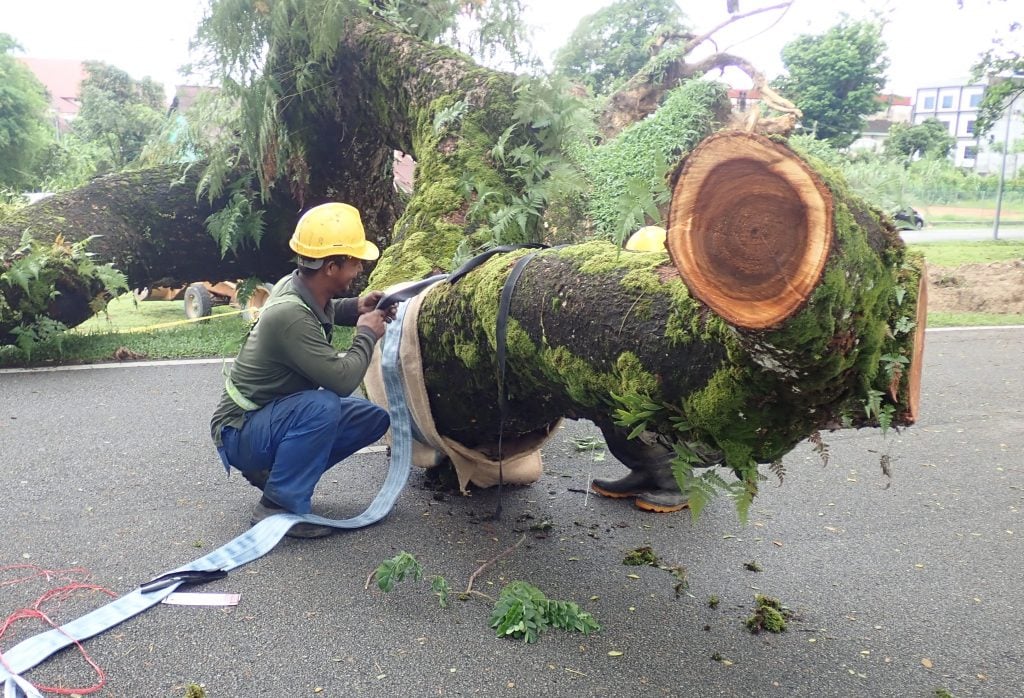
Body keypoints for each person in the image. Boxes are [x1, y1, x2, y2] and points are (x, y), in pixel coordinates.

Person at [210, 202, 395, 538]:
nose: (358, 269)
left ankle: (277, 476)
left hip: (267, 417)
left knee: (371, 418)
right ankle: (278, 507)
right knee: (322, 406)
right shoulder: (290, 315)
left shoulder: (298, 285)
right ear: (330, 266)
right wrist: (367, 333)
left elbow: (325, 308)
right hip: (239, 431)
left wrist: (358, 307)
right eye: (353, 262)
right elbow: (342, 381)